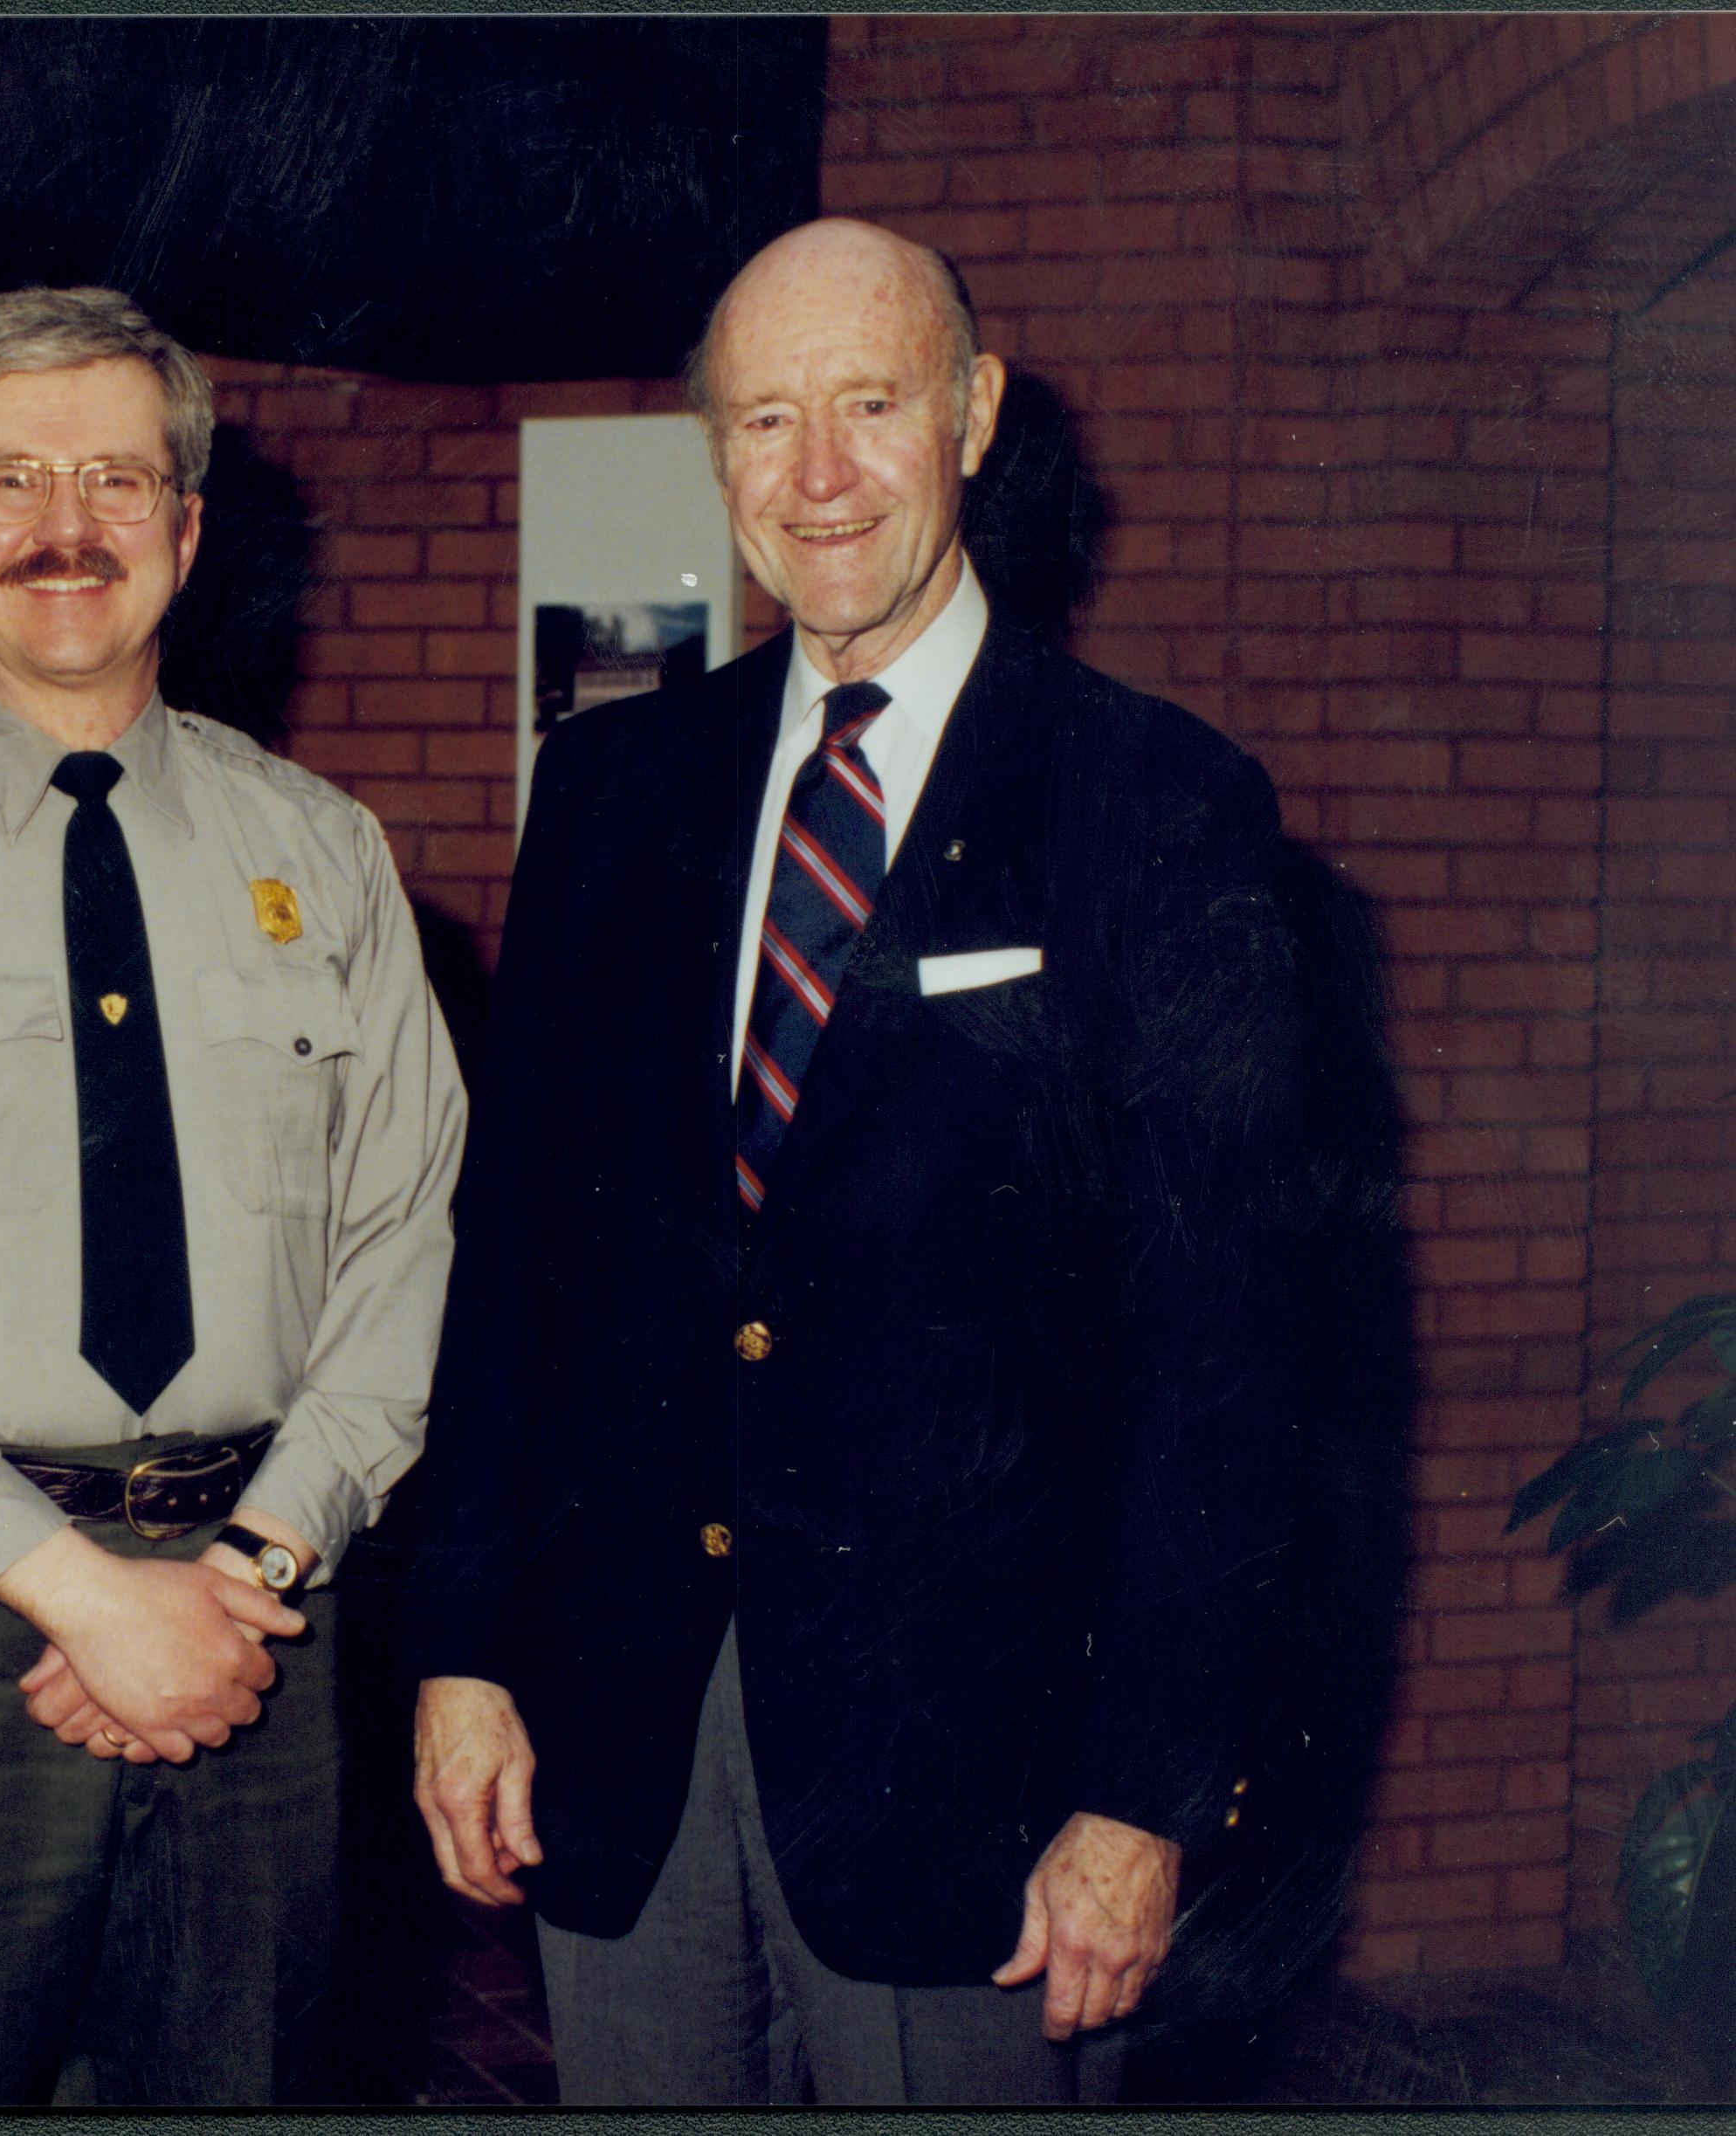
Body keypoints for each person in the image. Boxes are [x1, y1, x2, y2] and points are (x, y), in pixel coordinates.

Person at [390, 218, 1312, 2104]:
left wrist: (1140, 1796)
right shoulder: (609, 793)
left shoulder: (1161, 806)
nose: (813, 478)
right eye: (761, 421)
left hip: (975, 1765)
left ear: (971, 415)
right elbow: (511, 1278)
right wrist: (463, 1644)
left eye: (869, 406)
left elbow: (1228, 1361)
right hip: (623, 1723)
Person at [0, 285, 466, 2105]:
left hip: (262, 1617)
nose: (66, 522)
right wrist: (85, 1598)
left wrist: (245, 1567)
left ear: (187, 530)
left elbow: (408, 1238)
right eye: (11, 477)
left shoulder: (324, 849)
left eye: (117, 478)